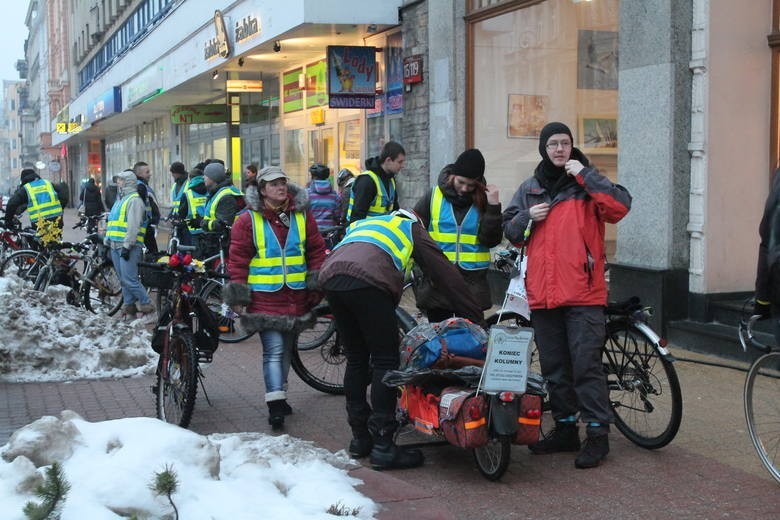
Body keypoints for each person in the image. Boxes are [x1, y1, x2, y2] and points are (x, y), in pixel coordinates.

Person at [502, 121, 632, 469]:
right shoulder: (530, 188)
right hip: (543, 295)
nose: (559, 149)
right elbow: (511, 231)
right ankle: (564, 429)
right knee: (555, 367)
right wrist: (528, 216)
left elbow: (619, 207)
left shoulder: (586, 182)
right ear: (544, 149)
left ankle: (597, 434)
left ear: (572, 147)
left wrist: (587, 175)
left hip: (583, 292)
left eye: (565, 143)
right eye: (553, 144)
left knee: (586, 365)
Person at [319, 210, 486, 470]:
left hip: (331, 278)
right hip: (368, 281)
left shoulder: (365, 223)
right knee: (386, 359)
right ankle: (384, 446)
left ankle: (360, 439)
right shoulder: (411, 227)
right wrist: (476, 319)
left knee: (357, 358)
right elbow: (446, 275)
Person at [223, 166, 327, 429]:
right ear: (262, 190)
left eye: (283, 182)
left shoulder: (302, 215)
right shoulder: (247, 220)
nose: (280, 187)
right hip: (263, 298)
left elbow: (316, 250)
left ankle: (279, 393)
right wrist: (239, 293)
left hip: (295, 295)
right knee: (274, 350)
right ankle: (275, 405)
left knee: (286, 351)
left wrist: (315, 282)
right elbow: (238, 260)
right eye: (273, 184)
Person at [412, 149, 502, 322]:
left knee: (471, 343)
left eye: (471, 185)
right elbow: (414, 229)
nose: (464, 189)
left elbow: (491, 240)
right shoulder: (433, 196)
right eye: (461, 182)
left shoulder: (485, 199)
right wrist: (420, 266)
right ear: (452, 175)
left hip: (472, 285)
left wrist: (493, 207)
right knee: (439, 342)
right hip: (438, 282)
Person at [105, 169, 155, 319]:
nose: (118, 183)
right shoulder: (120, 199)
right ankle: (130, 309)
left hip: (128, 246)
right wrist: (108, 240)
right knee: (124, 280)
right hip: (116, 244)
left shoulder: (134, 200)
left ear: (128, 182)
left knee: (130, 279)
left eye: (120, 180)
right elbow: (112, 222)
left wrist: (127, 246)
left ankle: (148, 307)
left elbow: (133, 226)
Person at [345, 141, 405, 223]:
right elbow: (357, 217)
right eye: (400, 162)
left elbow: (394, 211)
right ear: (388, 160)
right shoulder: (367, 180)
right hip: (364, 233)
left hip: (380, 232)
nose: (402, 166)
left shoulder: (391, 180)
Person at [197, 162, 243, 257]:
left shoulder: (226, 197)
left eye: (206, 176)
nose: (203, 178)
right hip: (215, 244)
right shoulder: (216, 193)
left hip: (223, 246)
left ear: (213, 178)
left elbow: (224, 224)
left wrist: (203, 223)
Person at [176, 166, 208, 251]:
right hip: (209, 230)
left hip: (193, 232)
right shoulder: (210, 191)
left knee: (195, 259)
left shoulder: (187, 194)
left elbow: (181, 214)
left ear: (190, 179)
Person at [134, 161, 160, 253]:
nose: (150, 174)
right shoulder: (142, 187)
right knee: (152, 254)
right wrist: (154, 220)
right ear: (139, 173)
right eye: (147, 172)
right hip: (145, 227)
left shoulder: (134, 185)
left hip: (140, 227)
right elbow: (154, 206)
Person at [306, 163, 340, 233]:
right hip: (329, 232)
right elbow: (338, 216)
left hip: (311, 232)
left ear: (313, 177)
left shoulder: (306, 194)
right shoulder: (334, 195)